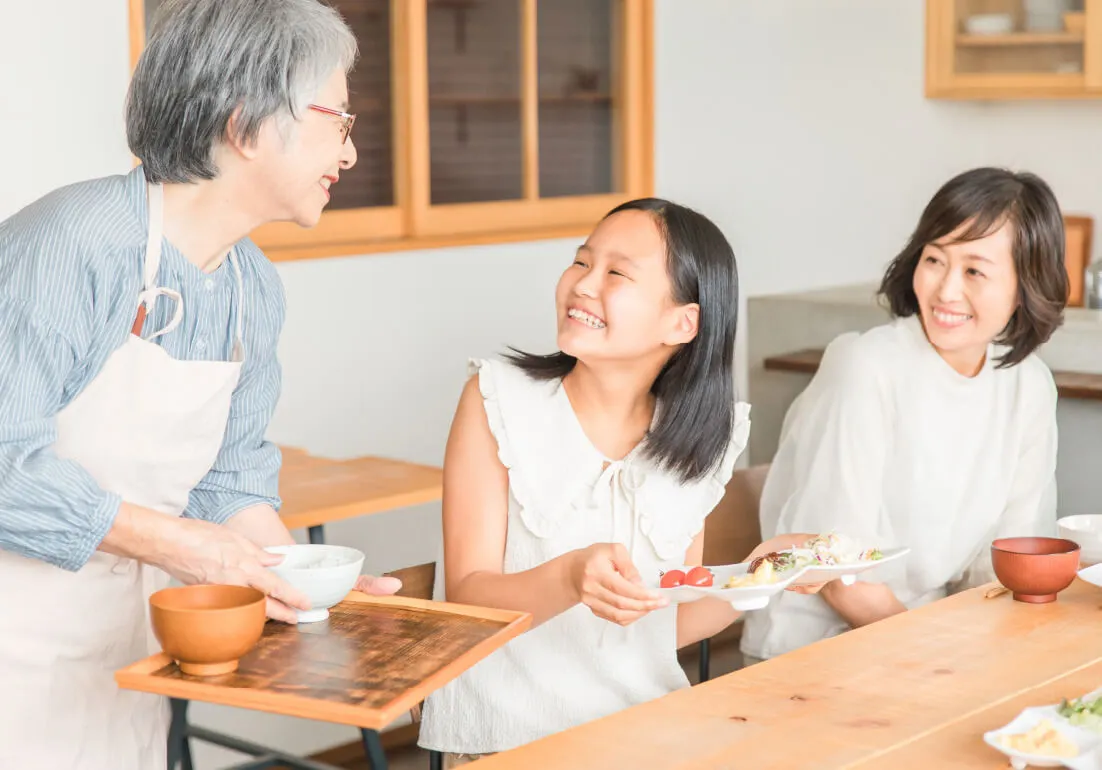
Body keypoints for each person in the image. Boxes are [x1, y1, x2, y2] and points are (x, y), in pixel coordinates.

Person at [0, 1, 399, 767]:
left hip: (120, 644)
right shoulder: (72, 245)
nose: (349, 152)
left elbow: (229, 478)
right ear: (247, 124)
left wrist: (307, 590)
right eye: (338, 122)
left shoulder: (253, 287)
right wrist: (186, 547)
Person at [417, 198, 818, 767]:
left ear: (683, 322)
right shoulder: (497, 401)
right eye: (581, 262)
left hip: (645, 737)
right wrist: (569, 576)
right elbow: (468, 602)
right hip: (509, 745)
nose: (583, 284)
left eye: (616, 273)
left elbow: (664, 623)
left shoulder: (698, 439)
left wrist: (761, 575)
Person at [740, 167, 1069, 666]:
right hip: (816, 652)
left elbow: (1009, 562)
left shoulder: (1028, 385)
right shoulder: (866, 366)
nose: (946, 291)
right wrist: (937, 656)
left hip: (929, 641)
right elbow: (838, 576)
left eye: (975, 271)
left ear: (1026, 286)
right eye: (935, 259)